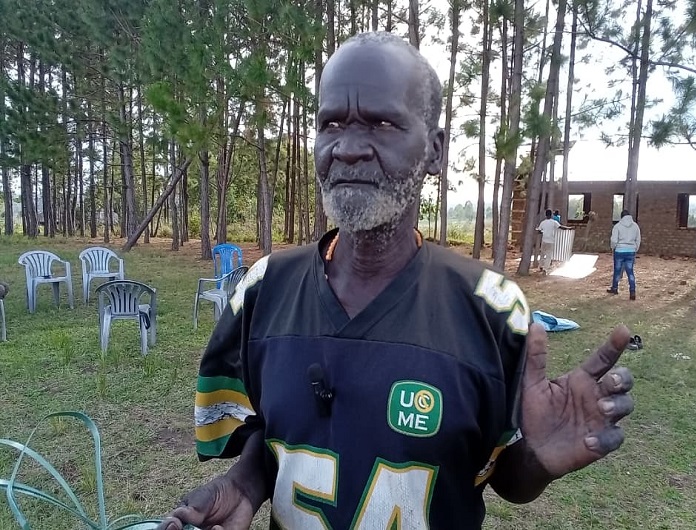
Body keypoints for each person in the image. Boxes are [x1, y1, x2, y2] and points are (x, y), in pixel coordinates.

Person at [158, 32, 634, 530]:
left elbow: (507, 480)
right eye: (331, 123)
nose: (348, 148)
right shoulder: (263, 290)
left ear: (434, 150)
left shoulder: (491, 309)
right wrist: (244, 483)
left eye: (382, 123)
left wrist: (537, 456)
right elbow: (268, 431)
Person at [607, 209, 641, 300]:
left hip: (619, 251)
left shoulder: (617, 226)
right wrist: (635, 249)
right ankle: (632, 291)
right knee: (630, 272)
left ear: (621, 217)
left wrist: (613, 247)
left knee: (617, 271)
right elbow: (638, 239)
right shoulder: (635, 226)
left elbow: (614, 240)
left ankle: (614, 288)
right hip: (631, 251)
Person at [536, 209, 561, 274]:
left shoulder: (543, 222)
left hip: (544, 240)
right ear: (551, 215)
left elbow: (539, 231)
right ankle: (545, 269)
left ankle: (541, 266)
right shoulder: (554, 222)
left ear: (546, 215)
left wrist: (543, 232)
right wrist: (568, 228)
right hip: (551, 241)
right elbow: (560, 227)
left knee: (542, 254)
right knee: (548, 256)